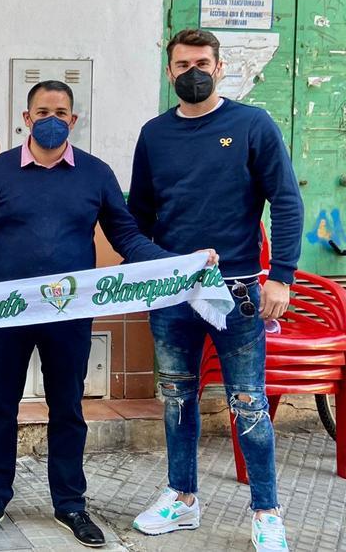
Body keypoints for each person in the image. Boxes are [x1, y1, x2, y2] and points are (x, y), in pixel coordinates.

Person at [0, 81, 214, 547]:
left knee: (68, 409)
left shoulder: (95, 174)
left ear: (73, 121)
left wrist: (176, 266)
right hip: (7, 314)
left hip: (69, 316)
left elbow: (126, 237)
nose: (51, 118)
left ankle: (71, 504)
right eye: (42, 110)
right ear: (26, 118)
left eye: (61, 111)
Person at [128, 29, 303, 552]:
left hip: (241, 294)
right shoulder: (154, 135)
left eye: (202, 62)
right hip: (175, 294)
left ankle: (266, 511)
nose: (193, 72)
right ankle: (182, 499)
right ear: (169, 73)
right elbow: (137, 217)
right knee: (177, 398)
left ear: (220, 67)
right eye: (182, 65)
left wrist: (283, 277)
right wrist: (149, 269)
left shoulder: (252, 125)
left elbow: (287, 202)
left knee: (248, 403)